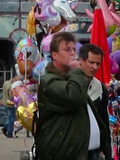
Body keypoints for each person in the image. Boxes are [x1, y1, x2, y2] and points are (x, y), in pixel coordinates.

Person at [34, 31, 102, 160]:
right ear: (54, 55)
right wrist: (77, 71)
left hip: (83, 152)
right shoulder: (49, 81)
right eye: (67, 49)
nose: (72, 53)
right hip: (62, 153)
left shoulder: (71, 79)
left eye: (74, 49)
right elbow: (74, 97)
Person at [78, 43, 111, 160]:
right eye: (91, 62)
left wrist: (108, 152)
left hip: (92, 149)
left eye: (98, 64)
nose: (95, 67)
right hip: (70, 147)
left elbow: (104, 121)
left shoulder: (100, 88)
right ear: (80, 61)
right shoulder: (66, 84)